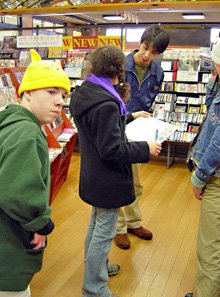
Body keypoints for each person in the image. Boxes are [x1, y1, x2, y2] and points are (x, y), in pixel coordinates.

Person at [69, 45, 162, 297]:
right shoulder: (106, 102)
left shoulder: (87, 91)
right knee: (104, 230)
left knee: (96, 224)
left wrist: (130, 116)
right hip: (107, 178)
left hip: (93, 174)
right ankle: (94, 286)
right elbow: (112, 150)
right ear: (118, 69)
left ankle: (98, 268)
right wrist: (146, 148)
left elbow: (99, 128)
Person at [0, 49, 70, 297]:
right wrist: (42, 223)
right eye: (51, 92)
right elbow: (18, 193)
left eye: (62, 94)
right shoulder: (26, 133)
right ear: (27, 93)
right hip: (8, 252)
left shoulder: (11, 123)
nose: (60, 101)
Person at [114, 24, 169, 250]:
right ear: (140, 43)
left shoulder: (158, 72)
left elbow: (150, 99)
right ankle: (118, 228)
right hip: (117, 127)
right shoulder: (119, 66)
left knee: (135, 181)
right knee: (118, 178)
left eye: (154, 53)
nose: (147, 55)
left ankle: (133, 222)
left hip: (140, 130)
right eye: (145, 48)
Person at [185, 39, 220, 297]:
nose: (215, 69)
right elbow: (211, 111)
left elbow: (219, 142)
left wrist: (200, 176)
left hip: (216, 177)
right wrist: (212, 83)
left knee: (209, 248)